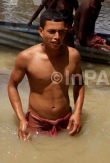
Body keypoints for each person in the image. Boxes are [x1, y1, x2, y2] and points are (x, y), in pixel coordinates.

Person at [8, 9, 84, 139]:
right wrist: (21, 119)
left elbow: (79, 83)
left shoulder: (73, 56)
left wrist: (77, 112)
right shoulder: (26, 57)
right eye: (52, 31)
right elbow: (12, 86)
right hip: (37, 122)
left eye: (61, 32)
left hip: (66, 120)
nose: (57, 37)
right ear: (41, 32)